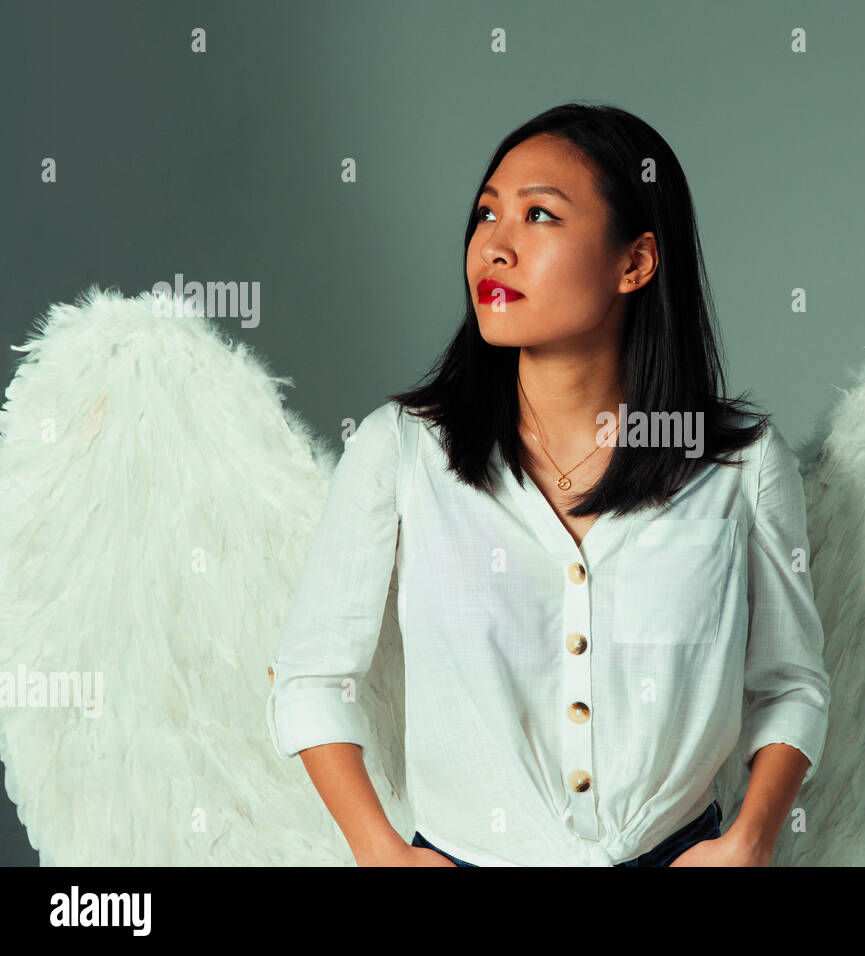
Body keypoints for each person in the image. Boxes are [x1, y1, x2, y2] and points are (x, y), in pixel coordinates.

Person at [266, 102, 831, 866]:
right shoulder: (401, 451)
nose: (493, 247)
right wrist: (381, 853)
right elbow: (311, 675)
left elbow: (790, 683)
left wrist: (751, 841)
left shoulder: (738, 465)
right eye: (486, 213)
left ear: (634, 262)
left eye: (539, 216)